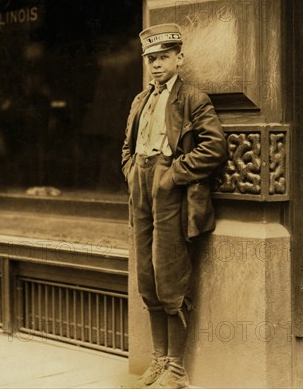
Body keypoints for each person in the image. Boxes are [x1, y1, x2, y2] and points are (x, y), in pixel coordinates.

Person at [121, 23, 227, 389]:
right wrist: (132, 172)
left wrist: (174, 173)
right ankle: (159, 362)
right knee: (147, 279)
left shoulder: (193, 99)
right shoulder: (140, 100)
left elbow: (215, 148)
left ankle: (177, 371)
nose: (155, 65)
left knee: (171, 278)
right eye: (150, 59)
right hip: (141, 189)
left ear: (179, 59)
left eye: (163, 57)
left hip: (172, 193)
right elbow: (126, 147)